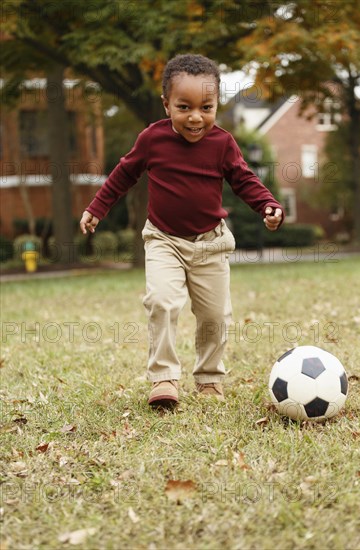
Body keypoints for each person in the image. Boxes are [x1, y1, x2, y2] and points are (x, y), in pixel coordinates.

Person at [80, 53, 284, 408]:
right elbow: (123, 174)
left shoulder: (222, 144)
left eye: (206, 107)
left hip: (211, 244)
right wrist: (97, 208)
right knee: (161, 301)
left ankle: (208, 379)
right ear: (166, 105)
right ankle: (164, 378)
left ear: (216, 104)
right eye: (184, 107)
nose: (195, 117)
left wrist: (268, 204)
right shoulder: (152, 139)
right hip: (163, 240)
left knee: (214, 316)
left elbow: (244, 179)